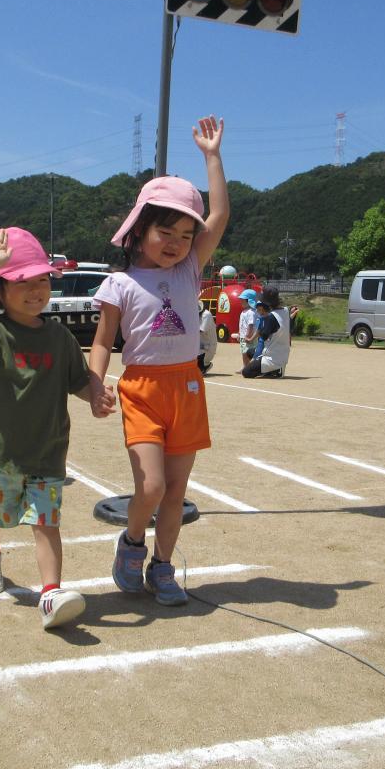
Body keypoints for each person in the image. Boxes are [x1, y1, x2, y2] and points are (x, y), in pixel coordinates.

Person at [0, 227, 111, 630]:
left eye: (42, 280)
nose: (35, 290)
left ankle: (51, 594)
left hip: (47, 449)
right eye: (23, 282)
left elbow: (78, 381)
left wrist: (95, 395)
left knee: (46, 522)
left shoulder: (60, 337)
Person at [89, 115, 229, 608]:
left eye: (186, 235)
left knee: (175, 490)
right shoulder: (120, 283)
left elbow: (219, 217)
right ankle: (132, 544)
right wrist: (94, 382)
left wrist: (212, 157)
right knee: (149, 487)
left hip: (187, 386)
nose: (176, 243)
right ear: (139, 229)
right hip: (143, 390)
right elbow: (103, 342)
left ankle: (163, 565)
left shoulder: (190, 269)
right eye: (165, 231)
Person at [242, 287, 290, 378]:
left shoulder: (271, 317)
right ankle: (272, 369)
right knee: (250, 352)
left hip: (272, 359)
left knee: (246, 372)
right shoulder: (286, 310)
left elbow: (263, 337)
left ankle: (275, 370)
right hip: (283, 355)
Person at [237, 288, 258, 370]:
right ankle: (245, 366)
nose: (241, 301)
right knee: (243, 352)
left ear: (249, 301)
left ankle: (248, 367)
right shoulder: (244, 312)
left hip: (248, 337)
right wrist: (239, 334)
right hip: (243, 336)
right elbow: (241, 325)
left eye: (243, 300)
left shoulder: (251, 312)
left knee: (247, 352)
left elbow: (251, 325)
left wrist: (248, 335)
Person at [197, 300, 218, 374]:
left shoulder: (206, 315)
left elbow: (201, 331)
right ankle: (202, 366)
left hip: (207, 347)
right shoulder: (196, 315)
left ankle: (205, 365)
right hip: (201, 346)